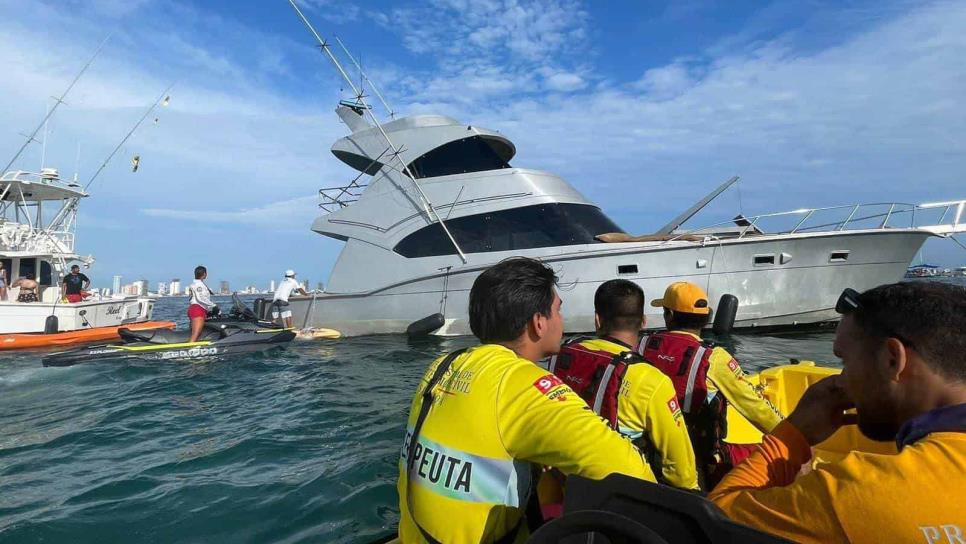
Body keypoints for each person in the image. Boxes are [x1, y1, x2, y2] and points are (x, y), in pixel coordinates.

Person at [398, 258, 656, 544]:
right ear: (539, 322)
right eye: (558, 310)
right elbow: (631, 471)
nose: (561, 320)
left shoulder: (442, 365)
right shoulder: (523, 385)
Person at [710, 282, 966, 543]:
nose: (841, 380)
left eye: (844, 361)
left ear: (892, 360)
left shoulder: (858, 493)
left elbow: (714, 522)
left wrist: (793, 434)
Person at [550, 279, 699, 490]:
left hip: (564, 483)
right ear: (643, 321)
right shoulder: (651, 380)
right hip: (620, 497)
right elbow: (680, 469)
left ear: (597, 320)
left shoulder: (561, 357)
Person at [639, 281, 782, 489]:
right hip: (699, 459)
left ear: (669, 315)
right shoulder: (713, 358)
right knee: (765, 455)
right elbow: (756, 407)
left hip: (647, 454)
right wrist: (793, 436)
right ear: (706, 319)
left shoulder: (641, 346)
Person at [187, 265, 217, 343]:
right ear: (204, 274)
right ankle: (188, 351)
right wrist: (214, 306)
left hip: (196, 309)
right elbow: (201, 298)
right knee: (196, 334)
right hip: (198, 309)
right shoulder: (198, 285)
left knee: (196, 333)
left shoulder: (197, 284)